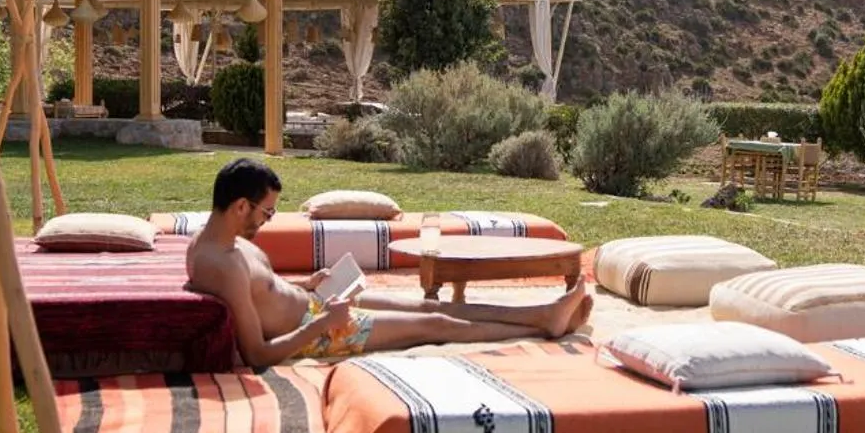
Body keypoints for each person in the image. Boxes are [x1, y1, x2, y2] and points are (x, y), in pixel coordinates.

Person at [185, 158, 592, 368]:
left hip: (318, 308)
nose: (268, 220)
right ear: (241, 205)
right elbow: (257, 354)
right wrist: (324, 324)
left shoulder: (223, 243)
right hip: (323, 333)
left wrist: (309, 285)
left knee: (430, 305)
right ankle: (544, 322)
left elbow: (265, 293)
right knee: (436, 325)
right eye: (267, 212)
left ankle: (541, 314)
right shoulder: (222, 264)